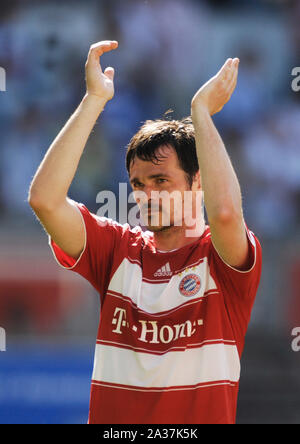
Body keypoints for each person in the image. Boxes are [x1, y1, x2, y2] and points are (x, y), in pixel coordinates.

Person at [28, 40, 262, 424]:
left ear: (196, 182)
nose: (147, 195)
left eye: (160, 180)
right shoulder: (118, 249)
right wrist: (94, 100)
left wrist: (201, 113)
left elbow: (223, 213)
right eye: (138, 184)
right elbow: (44, 200)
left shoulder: (220, 259)